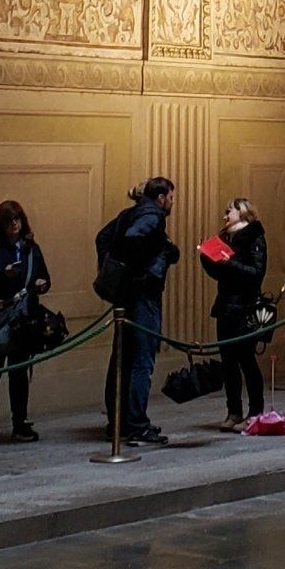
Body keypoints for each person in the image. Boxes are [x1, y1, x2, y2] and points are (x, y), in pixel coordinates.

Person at [101, 176, 178, 447]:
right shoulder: (152, 216)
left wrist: (116, 272)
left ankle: (118, 423)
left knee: (122, 359)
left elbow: (103, 238)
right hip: (143, 297)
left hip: (126, 297)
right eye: (171, 197)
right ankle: (136, 425)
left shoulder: (129, 213)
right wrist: (141, 272)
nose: (172, 203)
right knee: (142, 361)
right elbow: (133, 239)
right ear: (161, 198)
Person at [0, 199, 51, 444]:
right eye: (9, 221)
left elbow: (43, 276)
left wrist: (42, 284)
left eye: (17, 219)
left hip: (22, 320)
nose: (14, 225)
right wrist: (2, 275)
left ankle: (19, 423)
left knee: (19, 373)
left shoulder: (31, 248)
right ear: (1, 224)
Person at [200, 197, 269, 430]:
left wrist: (230, 263)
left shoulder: (254, 238)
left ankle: (256, 411)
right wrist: (207, 258)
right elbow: (220, 274)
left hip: (245, 307)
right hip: (226, 306)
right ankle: (234, 412)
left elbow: (256, 273)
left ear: (243, 212)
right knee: (229, 362)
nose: (225, 216)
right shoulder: (227, 238)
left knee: (247, 360)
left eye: (229, 211)